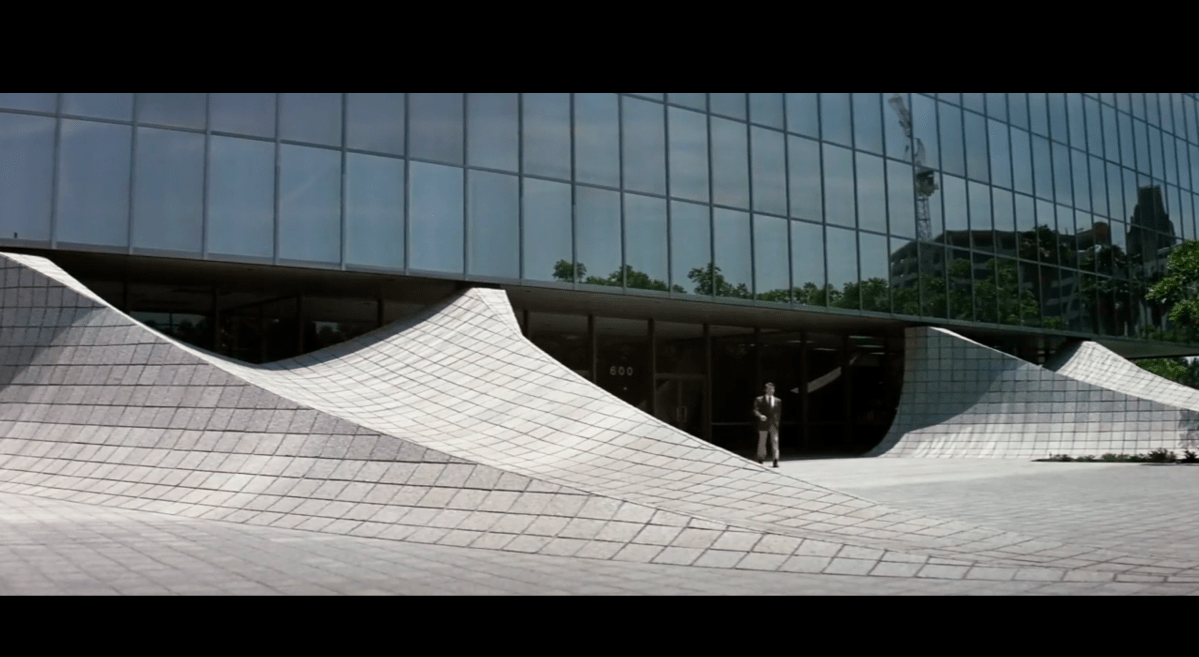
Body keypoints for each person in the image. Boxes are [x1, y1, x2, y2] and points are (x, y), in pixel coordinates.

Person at [752, 382, 782, 467]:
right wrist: (760, 416)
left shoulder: (778, 400)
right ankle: (760, 459)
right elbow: (755, 410)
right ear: (765, 390)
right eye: (769, 389)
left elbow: (778, 413)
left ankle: (775, 460)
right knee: (762, 441)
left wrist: (777, 422)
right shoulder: (759, 399)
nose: (771, 391)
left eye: (772, 389)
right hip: (763, 423)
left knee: (775, 441)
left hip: (773, 424)